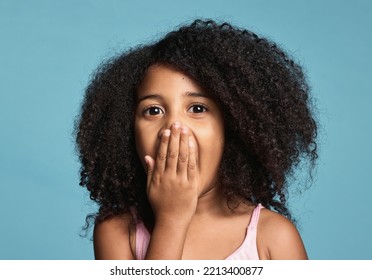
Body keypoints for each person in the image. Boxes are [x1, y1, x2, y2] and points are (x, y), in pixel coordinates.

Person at [75, 19, 318, 260]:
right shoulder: (117, 231)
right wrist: (172, 220)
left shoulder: (273, 237)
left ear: (233, 127)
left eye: (198, 108)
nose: (173, 127)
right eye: (153, 110)